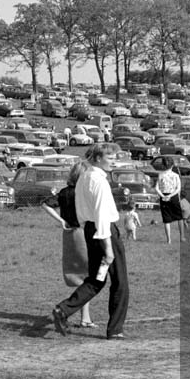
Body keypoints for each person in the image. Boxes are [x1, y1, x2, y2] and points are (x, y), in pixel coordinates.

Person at [52, 143, 129, 340]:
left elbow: (81, 209)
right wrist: (108, 248)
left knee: (96, 280)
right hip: (104, 232)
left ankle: (63, 310)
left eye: (115, 157)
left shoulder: (83, 178)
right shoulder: (99, 181)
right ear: (97, 159)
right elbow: (102, 215)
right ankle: (115, 329)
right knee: (120, 282)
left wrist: (90, 229)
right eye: (110, 158)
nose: (113, 161)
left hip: (89, 230)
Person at [41, 162, 95, 328]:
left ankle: (84, 316)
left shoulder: (64, 193)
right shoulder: (84, 193)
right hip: (83, 233)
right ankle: (81, 316)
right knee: (89, 276)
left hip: (69, 234)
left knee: (79, 275)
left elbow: (45, 204)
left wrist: (61, 220)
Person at [155, 165, 184, 243]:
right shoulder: (175, 175)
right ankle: (182, 237)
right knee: (179, 217)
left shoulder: (160, 175)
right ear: (171, 166)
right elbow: (178, 188)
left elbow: (156, 188)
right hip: (173, 196)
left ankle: (169, 240)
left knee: (166, 219)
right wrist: (170, 196)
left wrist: (163, 196)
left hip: (163, 196)